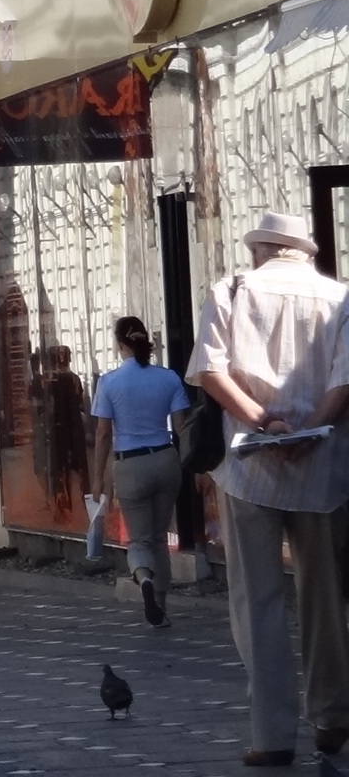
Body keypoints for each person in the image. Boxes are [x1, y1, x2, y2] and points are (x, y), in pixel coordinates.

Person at [186, 212, 349, 766]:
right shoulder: (339, 296)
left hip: (249, 466)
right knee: (325, 597)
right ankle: (333, 715)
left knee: (256, 600)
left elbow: (210, 371)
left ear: (262, 249)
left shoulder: (231, 288)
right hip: (324, 466)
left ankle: (272, 734)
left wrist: (263, 422)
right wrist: (308, 429)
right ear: (302, 251)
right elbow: (344, 380)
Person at [87, 316, 189, 629]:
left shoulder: (109, 382)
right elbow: (182, 427)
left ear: (120, 344)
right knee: (160, 538)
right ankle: (161, 605)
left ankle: (143, 578)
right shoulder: (168, 378)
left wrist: (98, 480)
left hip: (129, 465)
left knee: (140, 541)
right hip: (165, 459)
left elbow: (103, 434)